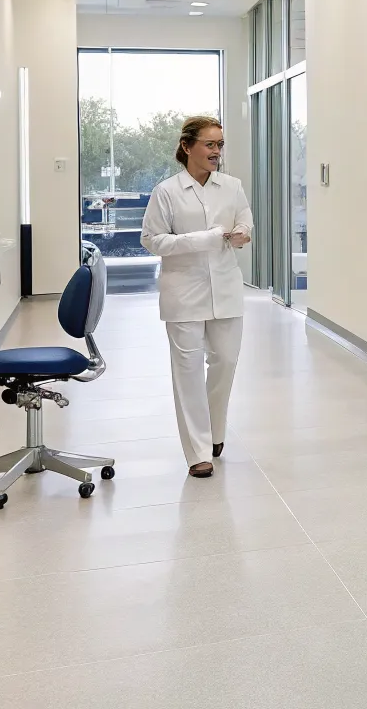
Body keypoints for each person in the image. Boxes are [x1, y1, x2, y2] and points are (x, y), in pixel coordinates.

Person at [140, 114, 254, 479]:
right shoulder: (167, 192)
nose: (216, 151)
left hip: (225, 287)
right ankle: (198, 452)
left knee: (226, 362)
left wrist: (241, 233)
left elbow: (245, 221)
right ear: (188, 147)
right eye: (209, 144)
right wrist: (200, 240)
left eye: (220, 144)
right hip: (183, 293)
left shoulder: (232, 187)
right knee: (187, 373)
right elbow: (151, 240)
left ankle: (215, 431)